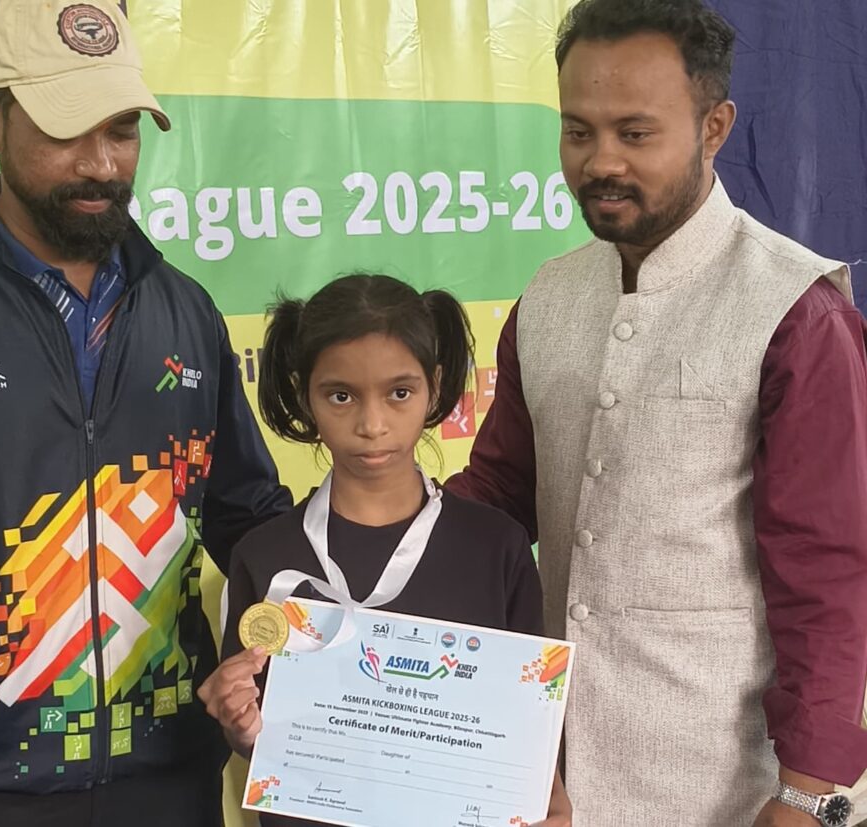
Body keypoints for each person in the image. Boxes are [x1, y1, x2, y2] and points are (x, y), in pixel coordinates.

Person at [0, 1, 291, 825]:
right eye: (64, 130)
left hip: (171, 782)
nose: (101, 162)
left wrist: (352, 623)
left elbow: (251, 522)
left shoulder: (186, 310)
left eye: (122, 129)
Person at [445, 0, 867, 825]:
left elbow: (828, 574)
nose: (600, 161)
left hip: (729, 789)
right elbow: (494, 499)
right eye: (577, 131)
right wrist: (343, 550)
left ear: (715, 128)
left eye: (634, 133)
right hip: (550, 781)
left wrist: (810, 790)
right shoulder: (548, 296)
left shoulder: (795, 310)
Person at [197, 274, 572, 826]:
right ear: (304, 394)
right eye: (341, 395)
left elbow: (528, 726)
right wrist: (239, 728)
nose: (372, 425)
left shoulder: (497, 547)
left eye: (399, 393)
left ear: (434, 386)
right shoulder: (264, 557)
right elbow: (261, 744)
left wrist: (550, 801)